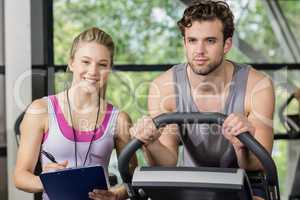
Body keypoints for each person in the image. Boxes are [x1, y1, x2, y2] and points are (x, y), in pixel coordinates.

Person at [131, 1, 274, 200]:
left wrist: (241, 146)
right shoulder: (163, 87)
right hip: (192, 183)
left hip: (246, 183)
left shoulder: (257, 86)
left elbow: (259, 164)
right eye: (192, 41)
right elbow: (167, 163)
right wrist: (152, 142)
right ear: (184, 43)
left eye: (210, 41)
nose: (199, 50)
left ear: (227, 44)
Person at [14, 27, 137, 200]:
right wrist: (47, 181)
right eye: (85, 62)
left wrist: (115, 195)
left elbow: (133, 181)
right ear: (71, 62)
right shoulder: (40, 109)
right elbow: (20, 176)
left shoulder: (120, 119)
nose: (93, 71)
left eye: (102, 64)